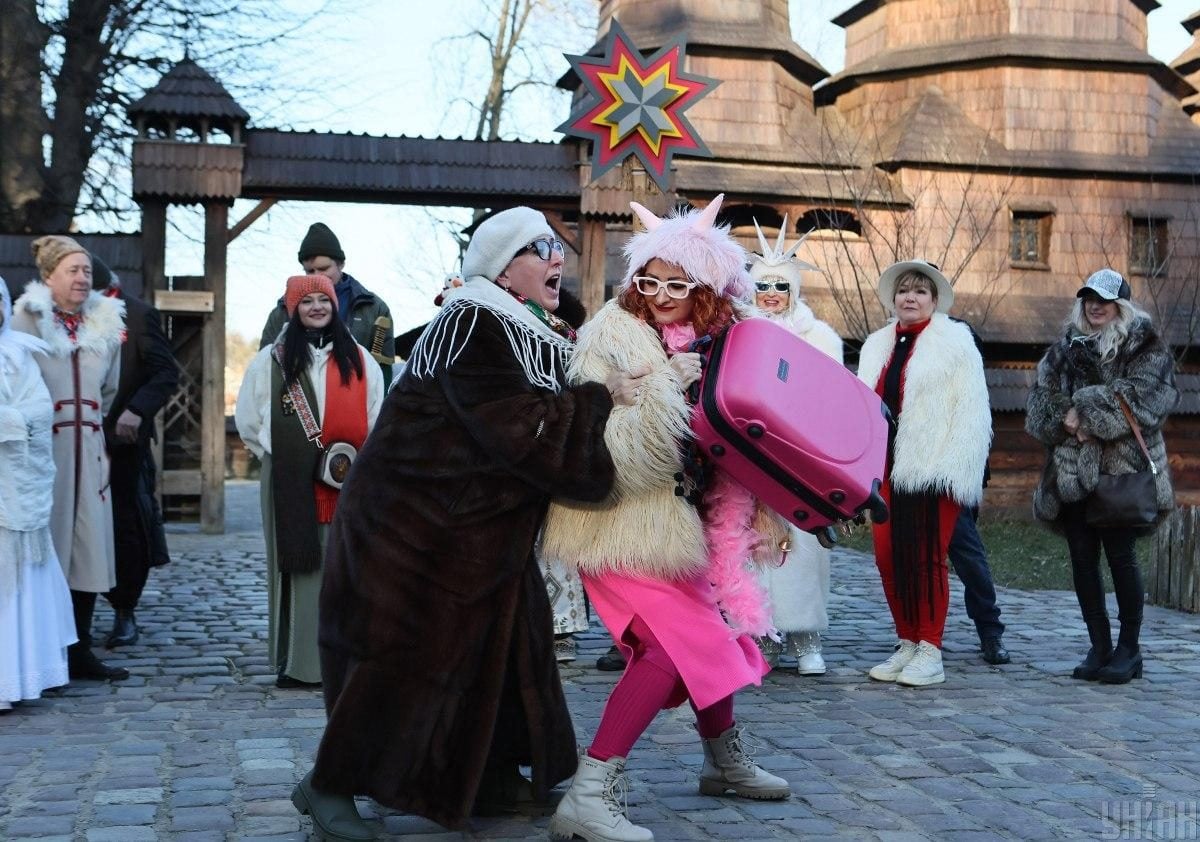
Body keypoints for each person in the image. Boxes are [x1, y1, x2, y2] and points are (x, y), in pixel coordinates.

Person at [292, 207, 616, 840]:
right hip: (412, 524)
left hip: (478, 522)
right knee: (407, 654)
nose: (558, 259)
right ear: (503, 267)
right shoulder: (475, 320)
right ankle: (328, 784)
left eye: (557, 246)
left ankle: (486, 773)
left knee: (502, 646)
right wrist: (602, 397)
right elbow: (518, 427)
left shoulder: (529, 325)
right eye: (540, 248)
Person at [542, 195, 792, 842]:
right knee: (669, 649)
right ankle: (590, 792)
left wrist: (762, 507)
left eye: (676, 283)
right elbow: (611, 449)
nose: (658, 295)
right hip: (618, 519)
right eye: (648, 281)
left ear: (707, 287)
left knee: (703, 633)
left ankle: (721, 760)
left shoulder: (727, 341)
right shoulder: (610, 334)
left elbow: (748, 436)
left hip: (681, 524)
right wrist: (664, 388)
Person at [1025, 268, 1177, 684]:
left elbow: (1151, 398)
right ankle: (1100, 645)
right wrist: (1064, 418)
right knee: (1081, 559)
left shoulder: (1144, 344)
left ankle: (1130, 649)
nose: (1095, 306)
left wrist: (1087, 411)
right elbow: (1039, 401)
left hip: (1121, 472)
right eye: (1089, 298)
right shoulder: (1063, 348)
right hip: (1071, 472)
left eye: (1105, 300)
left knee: (1122, 557)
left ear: (1120, 306)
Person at [236, 274, 384, 689]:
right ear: (293, 308)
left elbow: (377, 416)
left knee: (344, 566)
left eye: (324, 299)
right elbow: (248, 420)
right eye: (307, 301)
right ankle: (298, 662)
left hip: (350, 480)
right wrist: (284, 458)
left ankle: (344, 658)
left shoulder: (360, 359)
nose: (316, 307)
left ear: (335, 305)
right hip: (287, 478)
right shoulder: (272, 359)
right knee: (297, 569)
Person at [856, 260, 991, 688]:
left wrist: (951, 468)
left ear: (934, 300)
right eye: (903, 291)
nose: (909, 298)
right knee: (887, 558)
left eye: (919, 292)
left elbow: (972, 413)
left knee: (926, 559)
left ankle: (930, 648)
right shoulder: (876, 344)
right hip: (885, 470)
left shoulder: (955, 343)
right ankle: (908, 641)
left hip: (933, 468)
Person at [12, 236, 129, 682]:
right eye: (72, 270)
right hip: (42, 450)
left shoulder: (104, 325)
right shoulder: (26, 320)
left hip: (90, 447)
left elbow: (109, 389)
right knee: (49, 548)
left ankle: (80, 649)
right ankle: (43, 653)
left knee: (88, 549)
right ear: (48, 276)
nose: (83, 278)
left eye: (86, 271)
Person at [748, 218, 842, 675]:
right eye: (762, 285)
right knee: (756, 547)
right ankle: (764, 635)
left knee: (803, 549)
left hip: (802, 459)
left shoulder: (820, 337)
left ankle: (806, 639)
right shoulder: (739, 334)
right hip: (751, 457)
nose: (770, 294)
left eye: (779, 286)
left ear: (794, 290)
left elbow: (832, 401)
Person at [91, 256, 178, 647]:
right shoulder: (60, 320)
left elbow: (165, 372)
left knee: (127, 528)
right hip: (77, 442)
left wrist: (137, 410)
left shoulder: (139, 316)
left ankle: (125, 611)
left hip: (124, 446)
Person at [0, 280, 77, 712]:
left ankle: (16, 678)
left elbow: (40, 407)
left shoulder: (19, 354)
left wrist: (9, 420)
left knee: (19, 586)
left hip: (15, 481)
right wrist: (14, 420)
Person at [946, 318, 1010, 666]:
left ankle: (990, 632)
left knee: (969, 559)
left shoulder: (963, 338)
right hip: (914, 476)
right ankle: (919, 637)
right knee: (918, 562)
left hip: (957, 479)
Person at [259, 222, 396, 384]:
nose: (317, 276)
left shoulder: (373, 308)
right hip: (297, 399)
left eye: (323, 269)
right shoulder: (282, 311)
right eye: (310, 271)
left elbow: (385, 368)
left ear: (341, 264)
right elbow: (264, 367)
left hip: (356, 397)